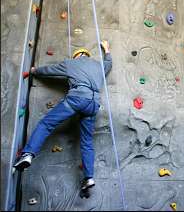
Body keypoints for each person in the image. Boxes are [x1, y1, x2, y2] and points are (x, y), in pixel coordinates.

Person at [13, 40, 112, 191]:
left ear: (76, 56)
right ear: (87, 55)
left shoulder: (71, 64)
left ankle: (28, 154)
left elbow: (50, 70)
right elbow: (108, 64)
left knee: (46, 124)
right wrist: (107, 49)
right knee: (86, 142)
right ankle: (89, 177)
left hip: (77, 98)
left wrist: (34, 71)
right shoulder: (98, 66)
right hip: (93, 104)